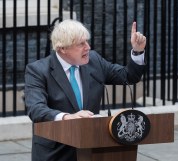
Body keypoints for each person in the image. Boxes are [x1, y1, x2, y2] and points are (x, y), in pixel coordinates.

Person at [25, 19, 146, 161]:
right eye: (81, 44)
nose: (88, 47)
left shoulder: (94, 61)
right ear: (63, 48)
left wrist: (138, 51)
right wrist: (67, 117)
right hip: (56, 152)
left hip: (91, 148)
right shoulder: (38, 70)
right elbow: (36, 109)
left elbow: (128, 76)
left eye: (87, 42)